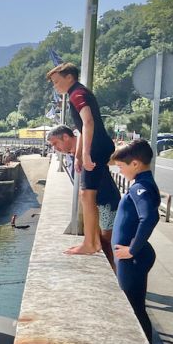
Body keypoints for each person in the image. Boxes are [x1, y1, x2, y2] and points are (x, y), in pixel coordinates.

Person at [47, 62, 117, 256]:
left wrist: (85, 153)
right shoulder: (77, 93)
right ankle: (92, 241)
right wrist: (78, 155)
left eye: (56, 81)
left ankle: (90, 243)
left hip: (96, 147)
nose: (55, 86)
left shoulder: (77, 94)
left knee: (87, 194)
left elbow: (88, 121)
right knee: (86, 194)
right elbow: (80, 128)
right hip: (98, 146)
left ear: (69, 77)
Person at [46, 124, 120, 267]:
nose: (55, 149)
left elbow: (83, 130)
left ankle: (118, 280)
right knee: (102, 242)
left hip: (107, 203)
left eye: (55, 143)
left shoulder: (87, 154)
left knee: (108, 244)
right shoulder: (74, 156)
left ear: (66, 137)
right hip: (98, 204)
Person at [110, 139, 160, 341]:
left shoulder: (140, 187)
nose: (120, 171)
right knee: (134, 306)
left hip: (132, 259)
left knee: (134, 308)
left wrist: (131, 249)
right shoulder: (142, 184)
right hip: (133, 256)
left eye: (121, 167)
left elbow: (149, 217)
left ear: (135, 164)